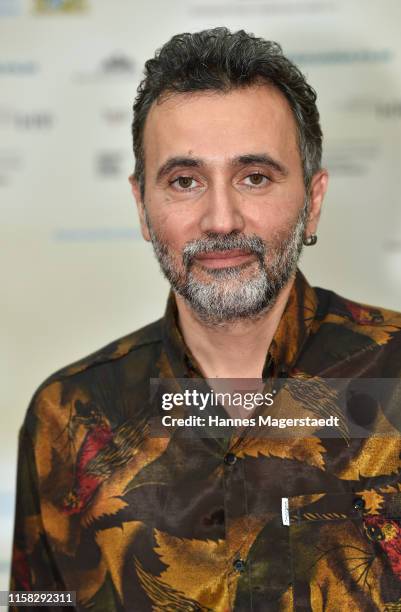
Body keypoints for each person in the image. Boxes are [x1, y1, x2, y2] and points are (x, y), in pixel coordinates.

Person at [10, 27, 401, 611]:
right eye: (185, 181)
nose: (221, 219)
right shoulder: (66, 418)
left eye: (255, 177)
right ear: (143, 206)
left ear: (312, 200)